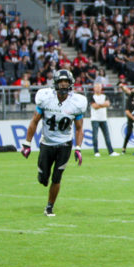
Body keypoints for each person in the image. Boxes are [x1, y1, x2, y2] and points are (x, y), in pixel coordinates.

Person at [20, 69, 87, 216]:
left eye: (66, 82)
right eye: (61, 82)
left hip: (65, 144)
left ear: (71, 84)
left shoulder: (76, 103)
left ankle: (49, 206)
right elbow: (34, 121)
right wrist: (27, 143)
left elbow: (79, 128)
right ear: (55, 83)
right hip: (47, 143)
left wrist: (78, 148)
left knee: (57, 177)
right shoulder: (45, 98)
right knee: (44, 178)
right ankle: (42, 176)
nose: (63, 85)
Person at [90, 83, 119, 157]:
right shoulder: (92, 96)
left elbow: (107, 104)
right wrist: (102, 104)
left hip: (103, 119)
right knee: (95, 136)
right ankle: (96, 151)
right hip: (95, 119)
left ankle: (111, 151)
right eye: (97, 87)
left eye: (99, 87)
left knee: (107, 136)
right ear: (94, 88)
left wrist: (99, 105)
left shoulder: (105, 96)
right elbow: (94, 106)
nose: (98, 89)